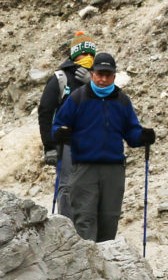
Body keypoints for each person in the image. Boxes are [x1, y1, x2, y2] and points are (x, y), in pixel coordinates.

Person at [52, 51, 155, 243]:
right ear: (92, 74)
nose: (103, 79)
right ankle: (87, 268)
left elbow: (131, 134)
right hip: (83, 168)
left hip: (113, 170)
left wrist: (143, 137)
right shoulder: (77, 98)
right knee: (84, 219)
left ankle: (104, 267)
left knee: (110, 219)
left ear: (114, 77)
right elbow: (58, 125)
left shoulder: (122, 100)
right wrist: (59, 133)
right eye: (100, 74)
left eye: (108, 75)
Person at [37, 32, 96, 218]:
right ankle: (67, 227)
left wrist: (92, 85)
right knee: (68, 185)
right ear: (74, 55)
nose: (88, 58)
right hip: (67, 141)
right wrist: (49, 147)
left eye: (91, 55)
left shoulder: (99, 78)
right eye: (83, 54)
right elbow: (45, 111)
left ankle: (87, 232)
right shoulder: (60, 78)